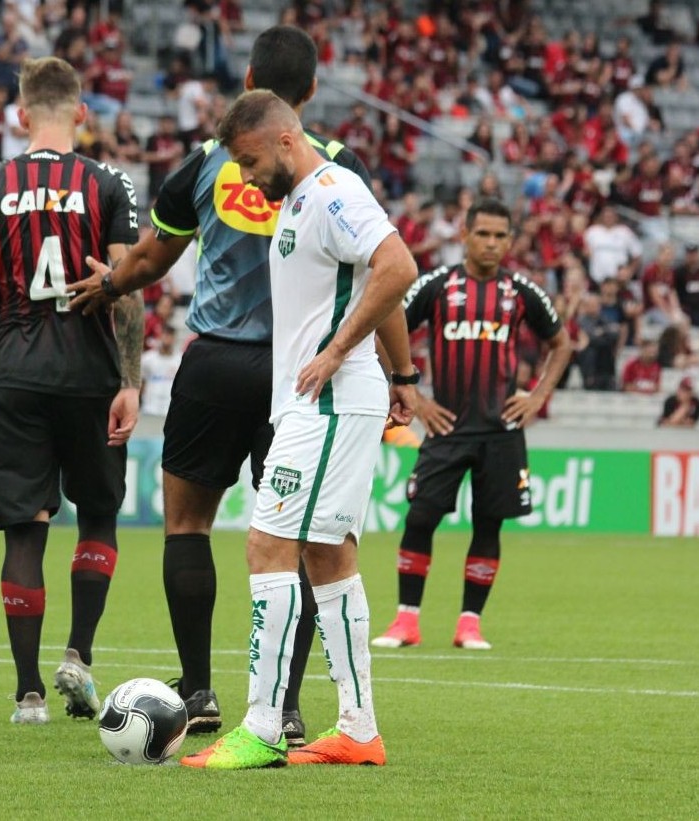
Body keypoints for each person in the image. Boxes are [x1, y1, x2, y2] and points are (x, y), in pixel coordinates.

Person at [67, 26, 375, 746]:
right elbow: (372, 264)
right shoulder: (335, 165)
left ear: (246, 77)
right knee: (295, 537)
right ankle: (290, 703)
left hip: (215, 364)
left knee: (187, 523)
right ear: (310, 92)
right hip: (299, 371)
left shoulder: (207, 162)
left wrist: (107, 281)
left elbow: (151, 257)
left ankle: (199, 687)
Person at [175, 89, 417, 769]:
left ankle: (262, 723)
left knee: (265, 544)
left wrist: (339, 352)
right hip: (322, 400)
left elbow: (397, 266)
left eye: (250, 161)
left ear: (284, 139)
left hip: (332, 399)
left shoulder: (334, 191)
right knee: (327, 555)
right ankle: (358, 728)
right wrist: (394, 374)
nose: (246, 178)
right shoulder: (298, 201)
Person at [0, 57, 143, 725]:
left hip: (13, 375)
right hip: (89, 376)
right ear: (82, 115)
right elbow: (125, 289)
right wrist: (131, 380)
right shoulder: (110, 183)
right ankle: (79, 655)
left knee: (25, 532)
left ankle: (28, 692)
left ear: (21, 115)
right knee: (98, 513)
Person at [372, 198, 571, 652]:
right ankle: (407, 621)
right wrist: (415, 396)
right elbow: (389, 325)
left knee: (489, 523)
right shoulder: (439, 285)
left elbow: (561, 344)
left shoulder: (522, 290)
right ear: (464, 235)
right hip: (446, 427)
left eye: (501, 236)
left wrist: (538, 397)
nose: (491, 243)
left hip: (501, 430)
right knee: (420, 516)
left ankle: (469, 624)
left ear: (510, 241)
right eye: (483, 233)